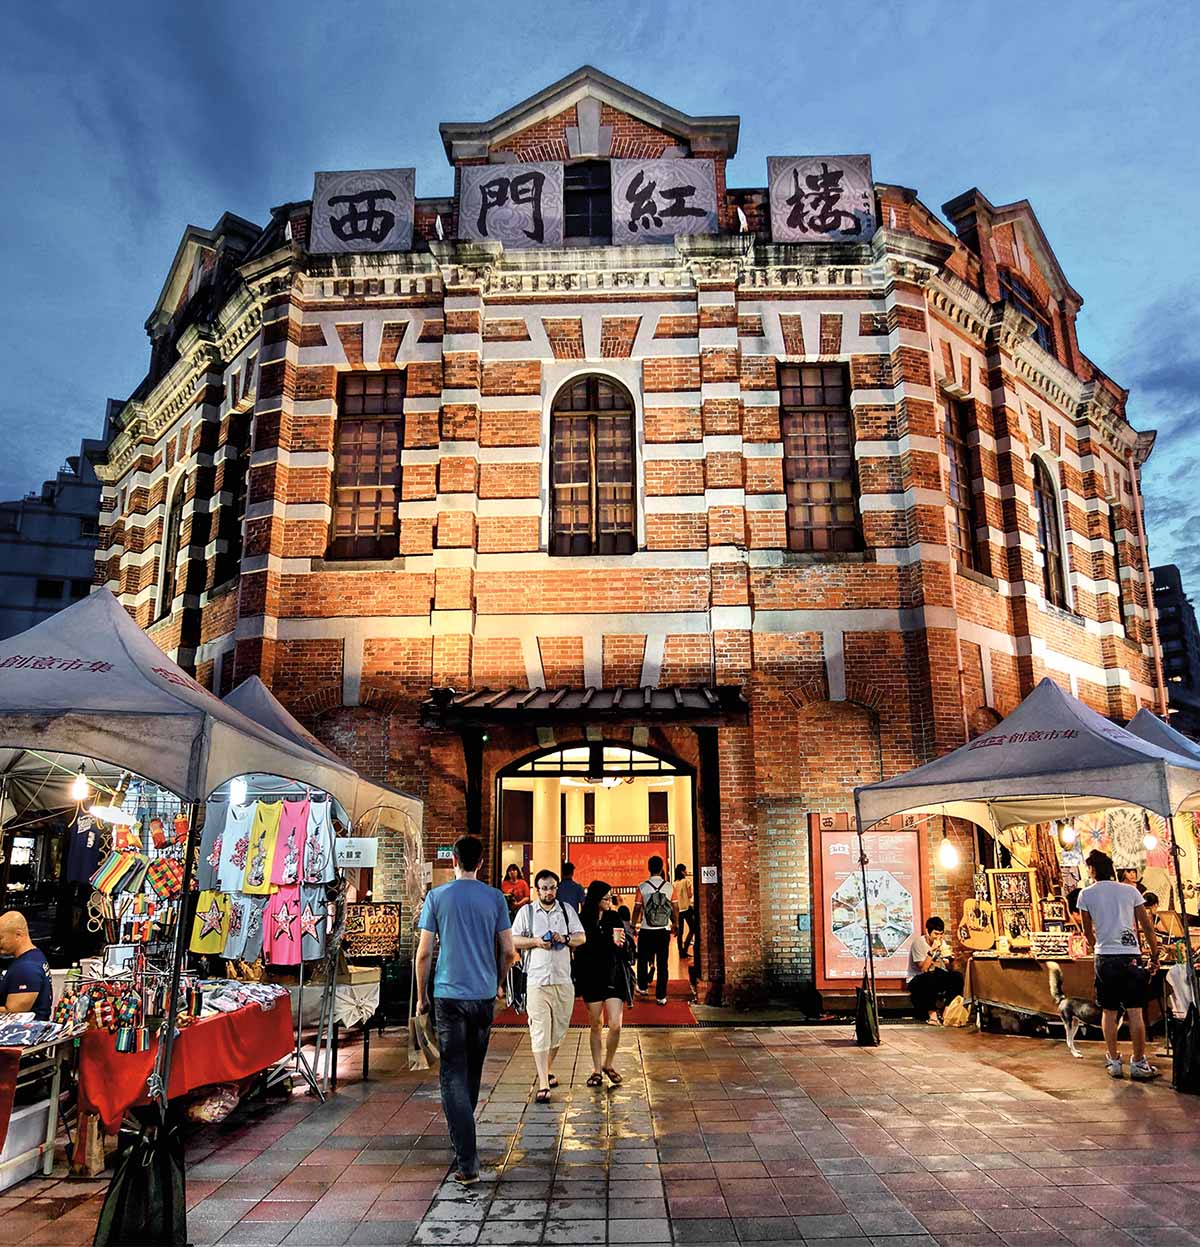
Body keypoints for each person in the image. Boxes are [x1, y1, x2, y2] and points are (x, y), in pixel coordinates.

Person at [415, 836, 517, 1183]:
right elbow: (508, 951)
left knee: (453, 1073)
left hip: (448, 995)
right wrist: (499, 983)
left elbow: (424, 953)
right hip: (483, 995)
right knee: (472, 1069)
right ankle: (464, 1136)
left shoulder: (437, 897)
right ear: (482, 861)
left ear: (454, 859)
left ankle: (467, 1159)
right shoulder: (495, 898)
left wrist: (420, 996)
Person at [1077, 848, 1161, 1080]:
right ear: (1112, 869)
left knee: (1109, 1011)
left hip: (1105, 958)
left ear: (1092, 870)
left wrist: (1099, 945)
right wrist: (1154, 953)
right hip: (1130, 956)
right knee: (1135, 1011)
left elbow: (1086, 931)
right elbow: (1146, 924)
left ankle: (1114, 1061)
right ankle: (1139, 1063)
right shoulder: (1130, 891)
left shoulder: (1086, 894)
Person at [510, 869, 585, 1103]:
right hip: (536, 980)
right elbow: (513, 939)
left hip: (563, 979)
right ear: (536, 889)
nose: (548, 892)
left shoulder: (566, 911)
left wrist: (564, 939)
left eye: (552, 887)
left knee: (559, 1030)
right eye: (544, 888)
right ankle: (543, 1083)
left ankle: (547, 1067)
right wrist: (535, 942)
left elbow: (581, 937)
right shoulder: (527, 912)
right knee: (540, 1030)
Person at [575, 880, 634, 1087]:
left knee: (616, 1024)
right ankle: (597, 1069)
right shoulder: (582, 919)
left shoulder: (614, 916)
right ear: (595, 899)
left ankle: (609, 1063)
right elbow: (580, 949)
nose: (610, 901)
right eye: (606, 898)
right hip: (591, 975)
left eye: (610, 898)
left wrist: (623, 943)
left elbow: (626, 942)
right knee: (596, 1024)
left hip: (613, 974)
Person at [633, 855, 676, 1006]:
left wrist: (633, 925)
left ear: (649, 868)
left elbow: (637, 908)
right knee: (663, 963)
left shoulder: (643, 887)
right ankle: (661, 996)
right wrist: (675, 924)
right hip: (663, 929)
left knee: (643, 959)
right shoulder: (670, 887)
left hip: (646, 929)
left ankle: (643, 987)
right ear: (662, 868)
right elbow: (675, 908)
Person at [906, 916, 964, 1024]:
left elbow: (949, 969)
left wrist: (950, 961)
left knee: (957, 977)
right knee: (929, 978)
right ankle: (932, 1015)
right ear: (928, 932)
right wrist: (931, 951)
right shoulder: (918, 943)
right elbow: (923, 968)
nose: (939, 937)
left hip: (935, 974)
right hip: (916, 978)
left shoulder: (942, 943)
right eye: (936, 934)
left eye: (941, 934)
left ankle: (947, 1011)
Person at [0, 912, 52, 1021]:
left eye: (1, 938)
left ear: (18, 935)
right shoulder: (34, 956)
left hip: (22, 1034)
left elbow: (13, 1014)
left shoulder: (26, 967)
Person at [674, 863, 696, 959]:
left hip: (678, 909)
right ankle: (686, 948)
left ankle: (680, 952)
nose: (686, 872)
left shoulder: (674, 884)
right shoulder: (687, 881)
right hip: (686, 908)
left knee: (680, 932)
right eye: (685, 870)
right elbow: (690, 895)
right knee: (693, 928)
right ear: (682, 871)